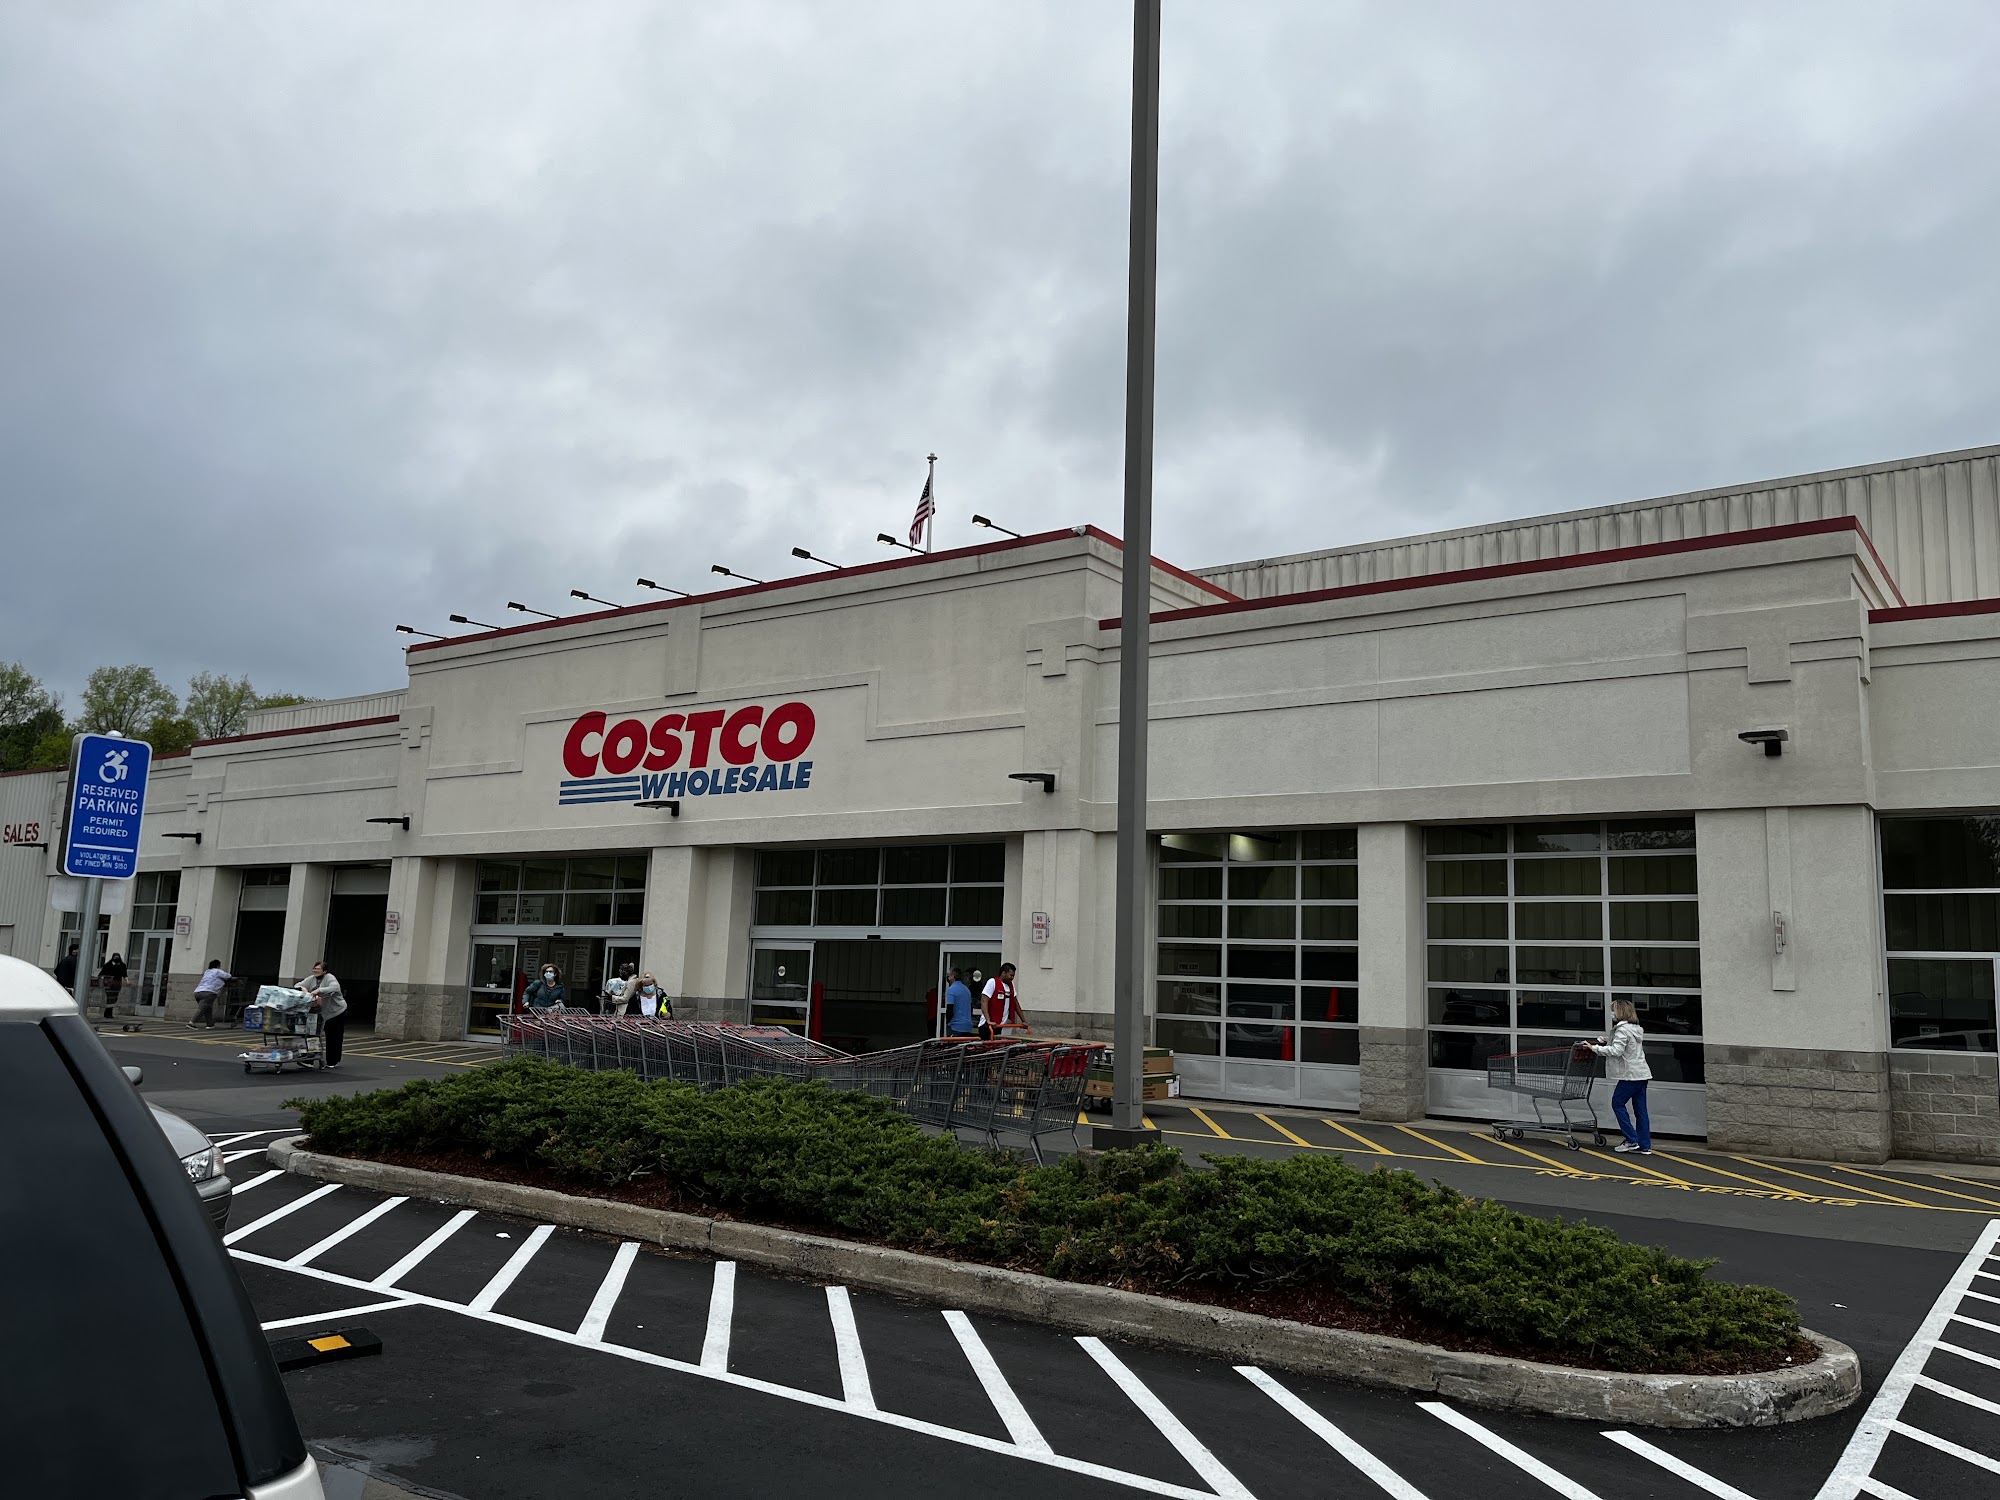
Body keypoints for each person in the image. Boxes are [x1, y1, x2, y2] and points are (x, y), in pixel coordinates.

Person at [1588, 999, 1653, 1154]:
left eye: (1613, 1010)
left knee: (1617, 1103)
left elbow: (1616, 1051)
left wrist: (1594, 1048)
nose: (1611, 1013)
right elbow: (1627, 1045)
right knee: (1641, 1110)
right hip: (1642, 1073)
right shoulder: (1635, 1028)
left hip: (1630, 1075)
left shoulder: (1622, 1030)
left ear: (1620, 1012)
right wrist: (1607, 1040)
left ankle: (1631, 1139)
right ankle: (1644, 1145)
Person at [300, 960, 348, 1067]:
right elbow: (298, 984)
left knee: (333, 1036)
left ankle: (332, 1061)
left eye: (318, 969)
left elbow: (335, 987)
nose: (315, 971)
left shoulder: (329, 978)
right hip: (319, 1012)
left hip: (336, 1012)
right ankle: (309, 1059)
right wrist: (303, 989)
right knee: (312, 1034)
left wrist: (319, 990)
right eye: (314, 969)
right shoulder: (311, 979)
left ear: (324, 971)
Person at [981, 962, 1029, 1037]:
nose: (1012, 978)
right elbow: (984, 1001)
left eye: (1013, 976)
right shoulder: (992, 982)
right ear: (1003, 973)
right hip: (989, 1024)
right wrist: (988, 1020)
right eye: (1011, 975)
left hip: (1002, 1025)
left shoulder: (1011, 986)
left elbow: (1015, 1003)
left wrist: (1024, 1021)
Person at [191, 960, 231, 1029]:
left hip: (198, 992)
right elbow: (228, 976)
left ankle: (210, 1024)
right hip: (209, 992)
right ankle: (191, 1023)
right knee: (202, 1009)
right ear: (218, 965)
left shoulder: (207, 972)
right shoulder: (217, 971)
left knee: (208, 1008)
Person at [942, 967, 976, 1038]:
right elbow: (970, 1008)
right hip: (967, 1026)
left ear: (952, 976)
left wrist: (947, 1021)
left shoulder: (951, 990)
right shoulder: (966, 989)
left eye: (949, 975)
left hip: (955, 1026)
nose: (947, 977)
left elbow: (950, 1008)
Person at [98, 952, 128, 1020]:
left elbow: (125, 974)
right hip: (109, 984)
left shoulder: (122, 965)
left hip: (117, 984)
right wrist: (103, 979)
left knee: (114, 998)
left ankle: (108, 1012)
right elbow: (102, 974)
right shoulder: (108, 965)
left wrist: (127, 981)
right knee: (110, 998)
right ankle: (108, 1013)